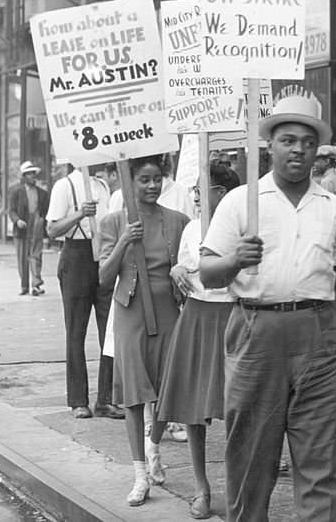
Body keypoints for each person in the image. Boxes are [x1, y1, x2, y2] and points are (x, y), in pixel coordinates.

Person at [199, 95, 336, 521]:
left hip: (319, 336)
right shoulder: (242, 202)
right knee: (250, 460)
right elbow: (206, 273)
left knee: (322, 464)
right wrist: (233, 260)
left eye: (306, 141)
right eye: (287, 140)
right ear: (270, 146)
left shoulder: (334, 209)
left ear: (318, 150)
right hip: (255, 333)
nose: (297, 149)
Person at [98, 155, 191, 507]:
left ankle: (154, 447)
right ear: (130, 182)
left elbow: (190, 265)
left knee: (168, 391)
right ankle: (140, 476)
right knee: (135, 396)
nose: (152, 186)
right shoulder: (112, 222)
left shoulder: (178, 221)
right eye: (144, 180)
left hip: (168, 312)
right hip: (129, 314)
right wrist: (123, 241)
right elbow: (104, 279)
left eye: (157, 179)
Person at [157, 162, 240, 519]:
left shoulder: (241, 225)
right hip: (196, 317)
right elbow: (184, 271)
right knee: (193, 409)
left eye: (199, 190)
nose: (194, 196)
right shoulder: (192, 228)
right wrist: (176, 269)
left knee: (237, 409)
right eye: (192, 190)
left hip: (232, 317)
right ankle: (202, 488)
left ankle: (235, 489)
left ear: (221, 193)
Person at [45, 158, 124, 421]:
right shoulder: (64, 186)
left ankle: (106, 399)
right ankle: (78, 400)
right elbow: (52, 228)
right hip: (76, 256)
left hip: (102, 256)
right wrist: (79, 213)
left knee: (110, 331)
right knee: (76, 332)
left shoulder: (102, 185)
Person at [8, 161, 50, 297]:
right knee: (22, 258)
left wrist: (43, 220)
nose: (33, 176)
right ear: (24, 176)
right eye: (30, 174)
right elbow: (11, 211)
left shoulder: (42, 193)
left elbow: (46, 210)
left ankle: (36, 285)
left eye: (34, 174)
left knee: (36, 256)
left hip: (36, 226)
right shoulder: (16, 192)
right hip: (22, 229)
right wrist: (17, 221)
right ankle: (24, 286)